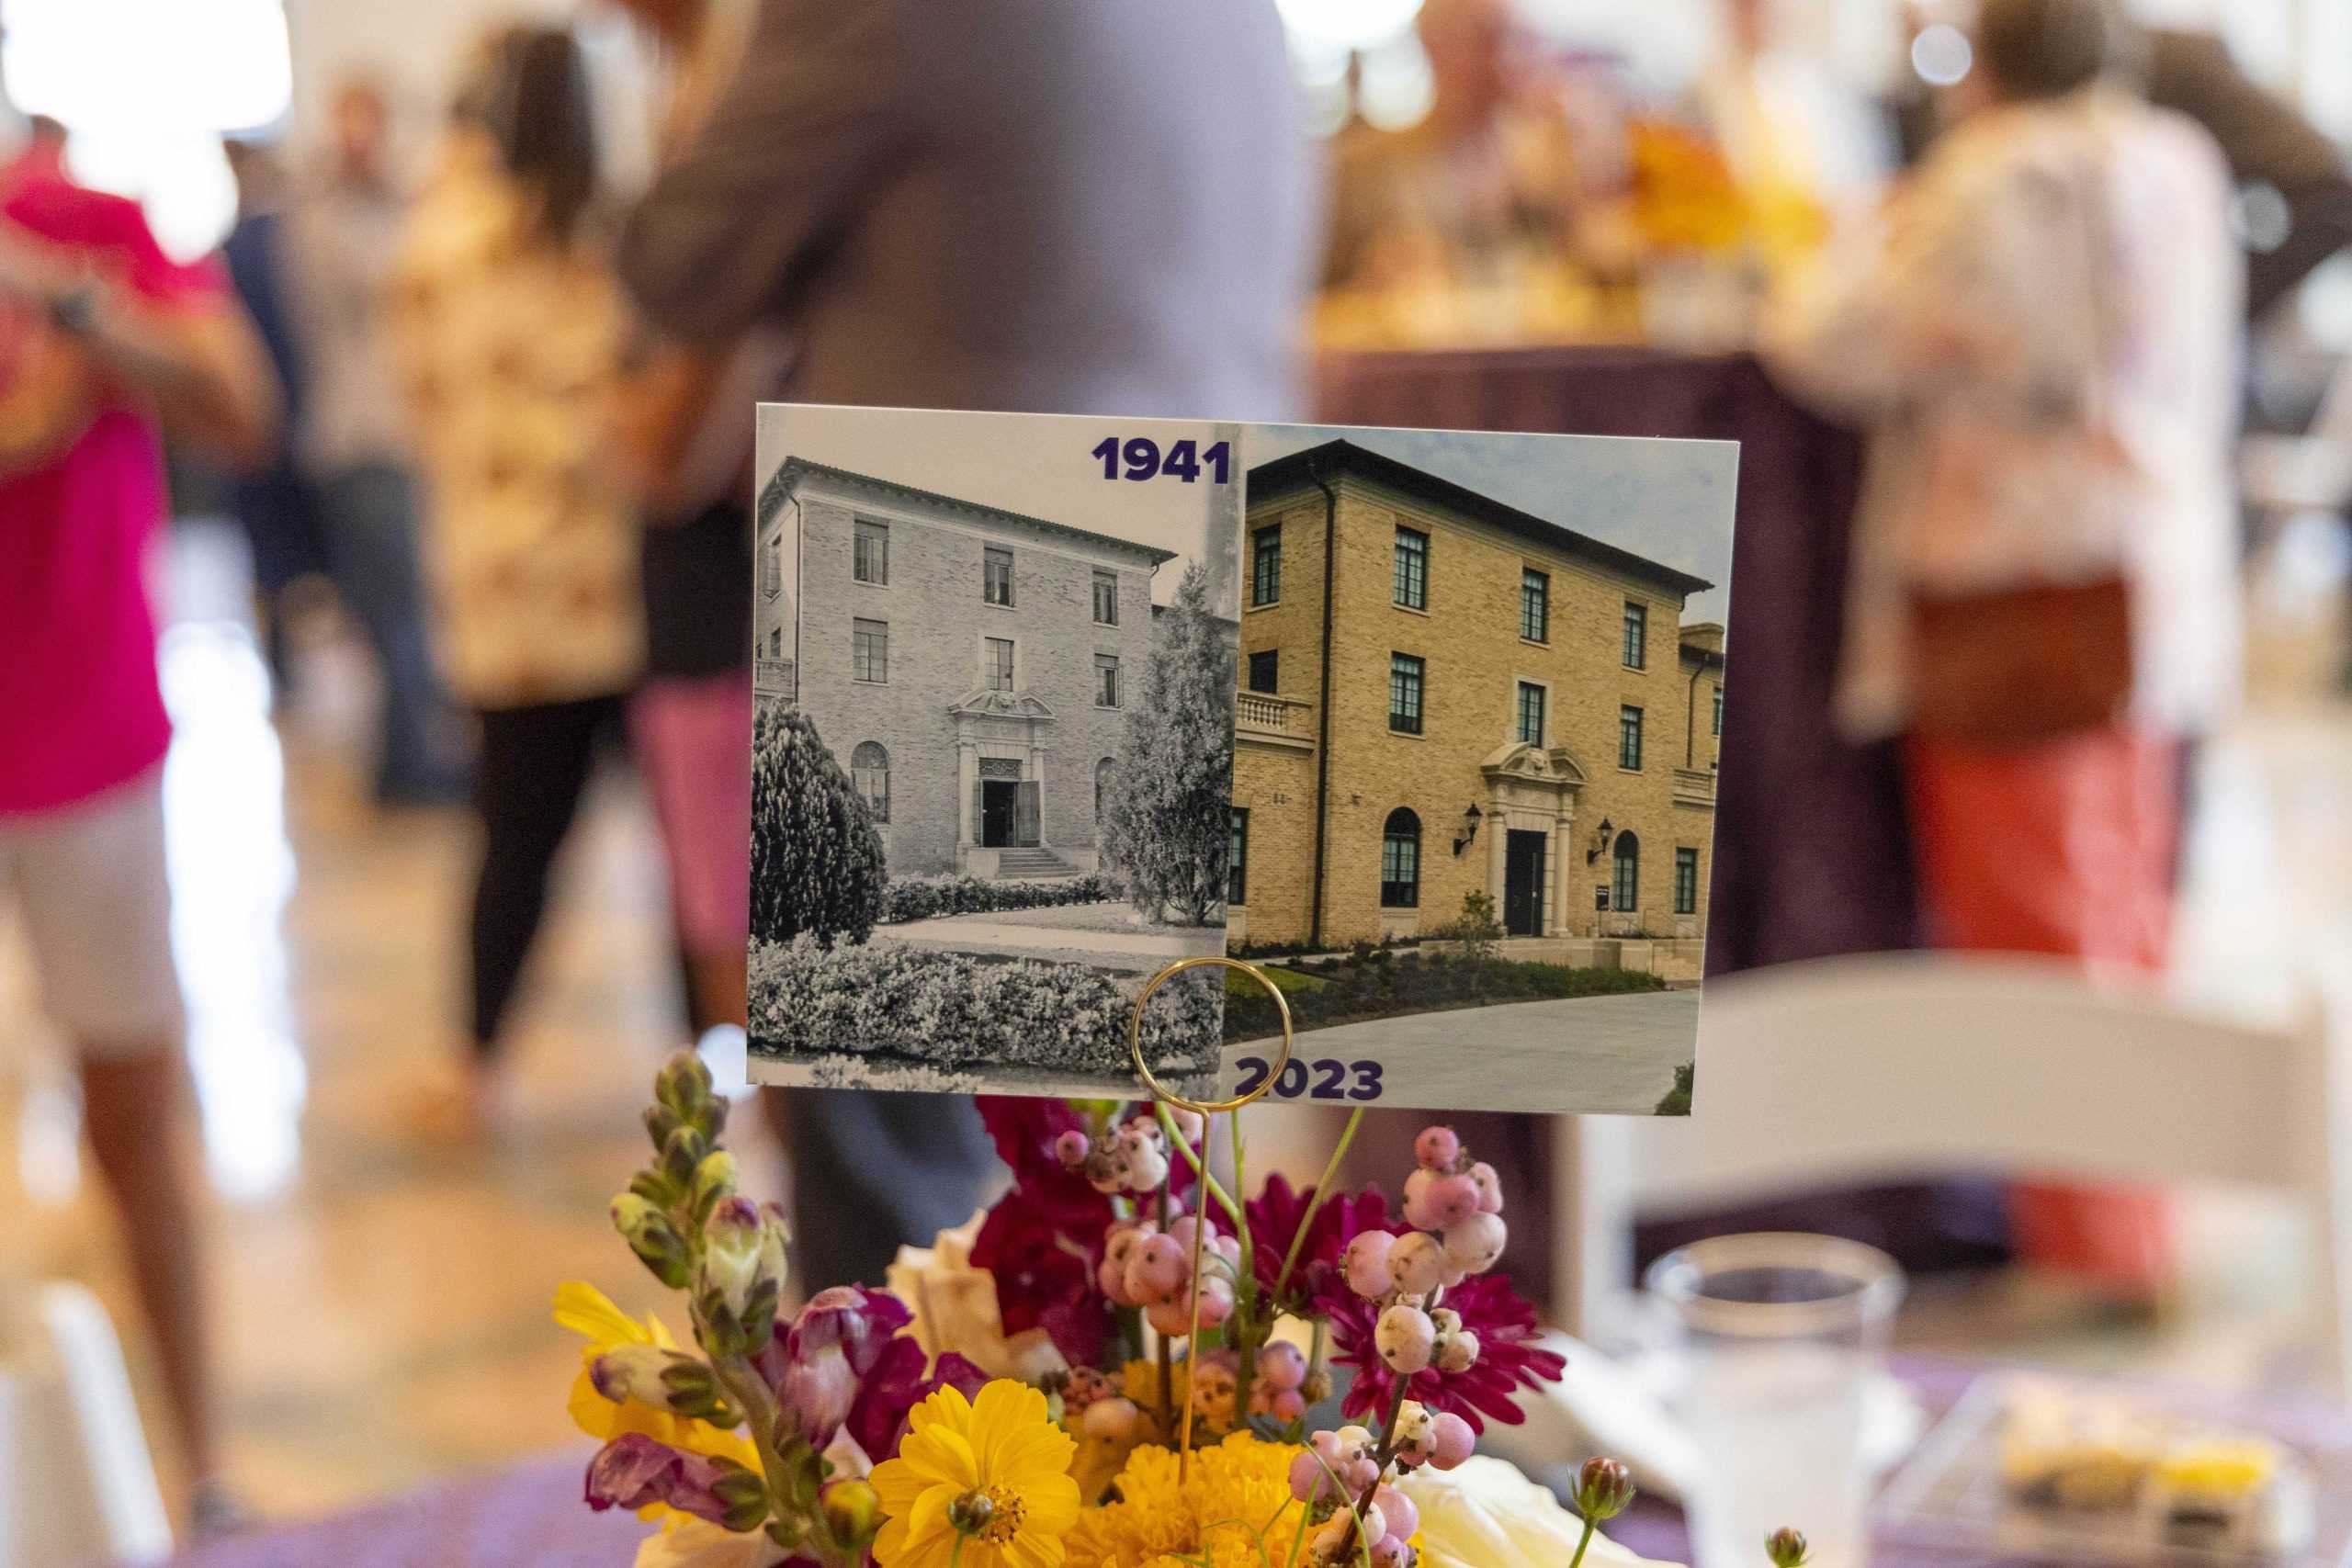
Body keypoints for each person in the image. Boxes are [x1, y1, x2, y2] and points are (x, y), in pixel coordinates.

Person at [616, 0, 1317, 1289]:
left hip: (965, 581)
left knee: (904, 1232)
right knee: (1151, 1226)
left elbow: (675, 258)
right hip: (1224, 570)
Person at [1766, 0, 2242, 1297]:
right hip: (2148, 576)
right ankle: (2142, 1218)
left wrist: (1860, 219)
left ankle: (2096, 1251)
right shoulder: (2176, 158)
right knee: (2126, 916)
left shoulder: (1994, 180)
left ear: (1985, 57)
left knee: (2035, 934)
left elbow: (1822, 337)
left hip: (2011, 589)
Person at [0, 115, 279, 1529]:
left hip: (82, 729)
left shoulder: (84, 225)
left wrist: (65, 301)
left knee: (134, 1104)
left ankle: (205, 1457)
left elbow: (243, 402)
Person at [390, 27, 643, 1133]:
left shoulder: (435, 240)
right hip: (630, 590)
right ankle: (730, 1053)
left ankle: (476, 1057)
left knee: (514, 839)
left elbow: (420, 407)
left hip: (501, 598)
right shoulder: (619, 238)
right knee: (703, 845)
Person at [601, 0, 772, 1041]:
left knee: (735, 906)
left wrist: (633, 433)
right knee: (720, 892)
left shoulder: (737, 90)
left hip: (727, 579)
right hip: (710, 575)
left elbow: (671, 447)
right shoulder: (693, 84)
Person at [290, 77, 469, 807]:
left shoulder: (401, 209)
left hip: (396, 438)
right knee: (395, 610)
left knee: (407, 605)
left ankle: (408, 757)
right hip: (362, 441)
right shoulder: (326, 222)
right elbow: (395, 288)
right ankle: (413, 765)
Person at [1321, 0, 1588, 299]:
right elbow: (1306, 294)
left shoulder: (1550, 163)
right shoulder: (1359, 168)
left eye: (1518, 40)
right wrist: (1368, 281)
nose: (1508, 58)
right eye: (1488, 39)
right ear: (1433, 45)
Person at [220, 137, 329, 696]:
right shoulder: (242, 245)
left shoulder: (272, 240)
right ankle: (283, 666)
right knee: (276, 555)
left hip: (290, 419)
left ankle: (288, 664)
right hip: (269, 423)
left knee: (286, 554)